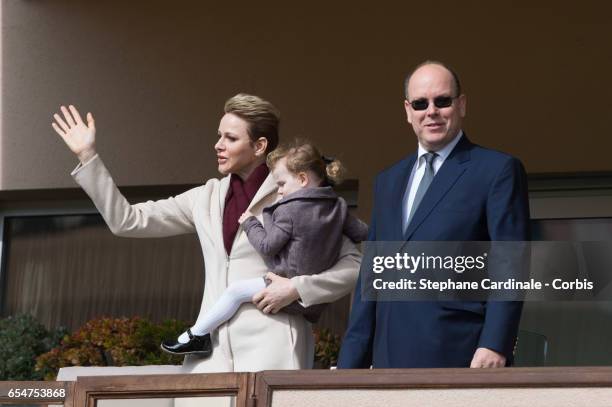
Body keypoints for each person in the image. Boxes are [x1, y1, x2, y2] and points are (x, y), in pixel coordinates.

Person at [51, 94, 361, 373]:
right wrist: (88, 157)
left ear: (259, 146)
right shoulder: (205, 197)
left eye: (230, 137)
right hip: (208, 355)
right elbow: (127, 220)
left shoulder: (299, 194)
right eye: (218, 136)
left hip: (274, 348)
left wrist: (297, 288)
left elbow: (355, 266)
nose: (218, 144)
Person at [337, 61, 530, 369]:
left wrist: (495, 343)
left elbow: (511, 261)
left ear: (461, 104)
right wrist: (350, 365)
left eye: (442, 101)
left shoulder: (496, 170)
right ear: (407, 111)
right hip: (388, 360)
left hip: (461, 353)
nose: (431, 111)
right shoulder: (388, 181)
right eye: (420, 103)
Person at [161, 141, 368, 355]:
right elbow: (363, 233)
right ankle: (196, 335)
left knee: (234, 292)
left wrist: (251, 223)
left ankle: (197, 335)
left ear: (302, 179)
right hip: (312, 298)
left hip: (282, 284)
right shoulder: (339, 206)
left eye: (281, 184)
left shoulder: (290, 211)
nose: (279, 192)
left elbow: (267, 246)